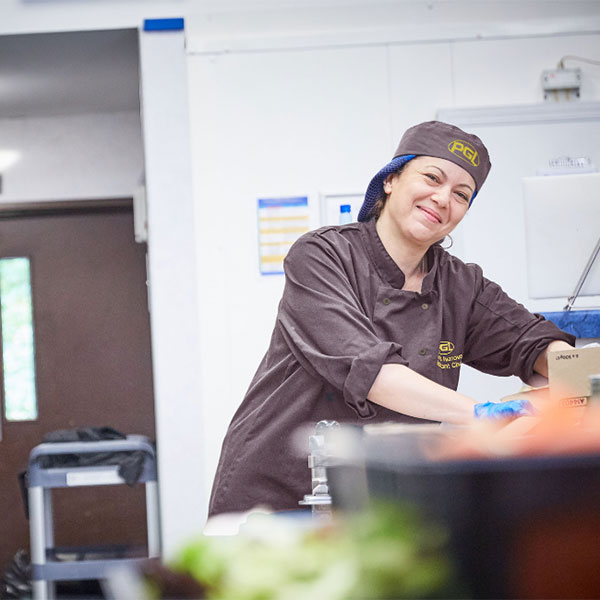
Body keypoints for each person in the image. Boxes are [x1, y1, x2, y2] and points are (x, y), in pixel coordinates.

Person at [208, 121, 575, 517]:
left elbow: (531, 341)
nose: (442, 199)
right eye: (431, 177)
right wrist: (479, 414)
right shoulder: (322, 256)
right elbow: (372, 372)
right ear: (391, 180)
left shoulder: (460, 284)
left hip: (383, 496)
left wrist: (574, 377)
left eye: (461, 194)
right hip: (281, 492)